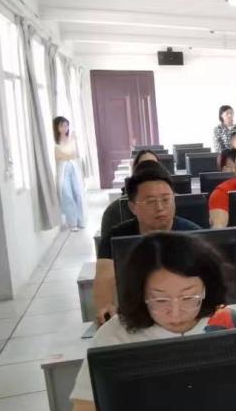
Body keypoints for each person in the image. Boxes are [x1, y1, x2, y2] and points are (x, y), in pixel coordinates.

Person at [68, 232, 236, 411]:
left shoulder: (226, 321)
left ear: (208, 288)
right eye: (160, 300)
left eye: (189, 297)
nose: (176, 312)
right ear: (140, 293)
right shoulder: (115, 337)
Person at [93, 166, 202, 324]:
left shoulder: (195, 235)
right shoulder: (116, 236)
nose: (160, 208)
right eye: (150, 202)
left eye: (166, 200)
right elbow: (105, 277)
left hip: (184, 313)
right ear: (133, 207)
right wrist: (106, 306)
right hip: (137, 316)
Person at [99, 150, 161, 243]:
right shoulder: (114, 211)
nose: (149, 172)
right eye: (144, 167)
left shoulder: (172, 202)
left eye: (153, 166)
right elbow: (106, 248)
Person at [53, 116, 85, 231]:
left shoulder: (72, 139)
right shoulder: (55, 142)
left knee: (78, 194)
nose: (65, 128)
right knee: (67, 195)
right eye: (62, 126)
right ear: (57, 127)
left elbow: (75, 154)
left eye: (66, 125)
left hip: (73, 167)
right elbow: (61, 155)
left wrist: (72, 143)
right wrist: (69, 149)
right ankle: (72, 223)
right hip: (63, 170)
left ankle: (80, 220)